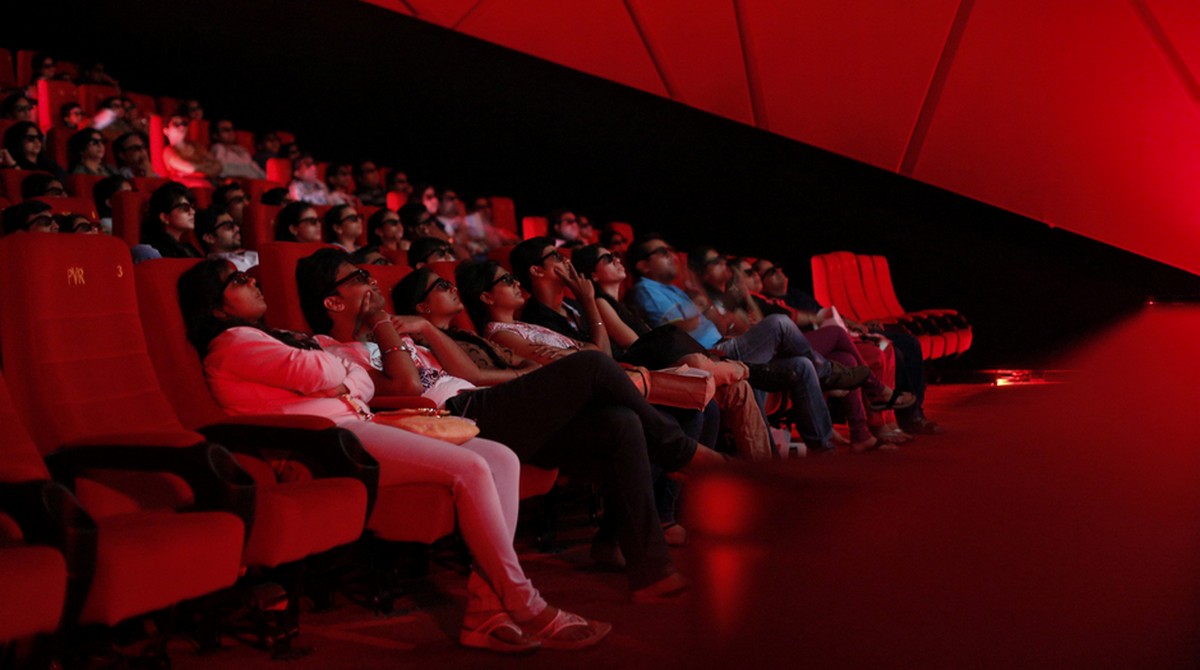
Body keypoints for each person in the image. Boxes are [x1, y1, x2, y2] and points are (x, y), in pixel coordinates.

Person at [178, 258, 612, 653]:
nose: (252, 281)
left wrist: (342, 377)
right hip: (322, 442)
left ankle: (486, 611)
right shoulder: (232, 343)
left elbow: (353, 379)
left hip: (357, 424)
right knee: (473, 467)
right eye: (238, 280)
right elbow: (320, 370)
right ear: (216, 308)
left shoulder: (270, 338)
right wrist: (341, 375)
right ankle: (524, 601)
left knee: (501, 458)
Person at [295, 249, 720, 603]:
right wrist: (382, 322)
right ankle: (683, 454)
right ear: (333, 302)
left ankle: (648, 570)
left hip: (483, 406)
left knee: (619, 421)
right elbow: (407, 386)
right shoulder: (331, 350)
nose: (372, 282)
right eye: (359, 278)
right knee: (592, 365)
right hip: (452, 418)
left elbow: (465, 373)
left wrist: (416, 329)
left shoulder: (400, 337)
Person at [626, 234, 873, 453]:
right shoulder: (646, 289)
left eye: (671, 250)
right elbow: (671, 332)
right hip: (709, 356)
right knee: (780, 324)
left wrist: (729, 312)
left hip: (724, 344)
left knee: (802, 365)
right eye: (662, 252)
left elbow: (720, 325)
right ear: (643, 265)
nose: (671, 256)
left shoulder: (675, 291)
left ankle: (823, 449)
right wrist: (704, 309)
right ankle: (827, 373)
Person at [572, 244, 773, 461]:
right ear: (593, 274)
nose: (617, 260)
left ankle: (761, 470)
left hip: (663, 363)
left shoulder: (625, 305)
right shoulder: (601, 303)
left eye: (616, 256)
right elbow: (635, 343)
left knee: (738, 388)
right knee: (697, 362)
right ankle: (747, 370)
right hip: (646, 371)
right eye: (608, 259)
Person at [505, 237, 610, 358]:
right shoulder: (537, 319)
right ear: (536, 270)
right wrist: (589, 301)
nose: (567, 260)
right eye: (557, 256)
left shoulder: (571, 304)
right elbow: (604, 355)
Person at [140, 182, 203, 258]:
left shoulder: (188, 248)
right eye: (185, 208)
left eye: (192, 207)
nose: (192, 212)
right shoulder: (153, 251)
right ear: (165, 217)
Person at [161, 115, 220, 188]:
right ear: (166, 131)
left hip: (206, 186)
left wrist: (194, 169)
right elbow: (189, 168)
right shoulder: (168, 151)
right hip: (186, 189)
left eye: (184, 124)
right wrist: (207, 166)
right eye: (176, 124)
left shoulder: (196, 145)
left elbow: (218, 166)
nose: (182, 126)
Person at [196, 206, 258, 271]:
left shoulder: (252, 254)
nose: (237, 228)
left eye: (235, 224)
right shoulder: (215, 270)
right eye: (229, 226)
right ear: (210, 238)